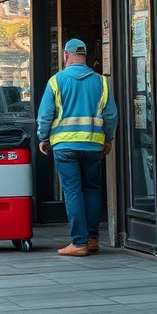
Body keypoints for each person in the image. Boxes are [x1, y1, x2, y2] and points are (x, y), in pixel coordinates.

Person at [37, 38, 118, 256]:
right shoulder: (102, 82)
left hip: (65, 147)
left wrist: (43, 138)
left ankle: (79, 242)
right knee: (92, 189)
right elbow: (111, 115)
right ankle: (92, 239)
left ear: (66, 55)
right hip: (93, 145)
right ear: (85, 56)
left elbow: (45, 115)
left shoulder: (56, 81)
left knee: (73, 191)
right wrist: (107, 139)